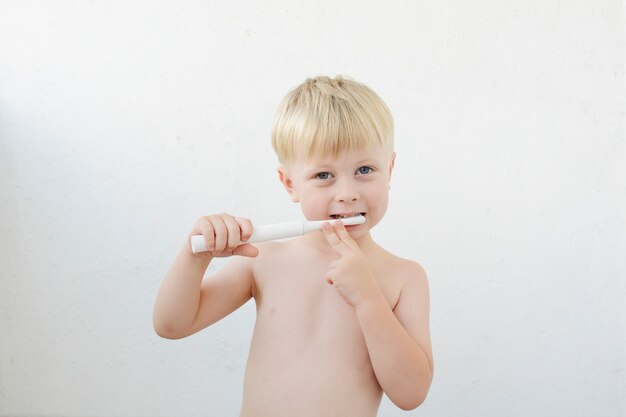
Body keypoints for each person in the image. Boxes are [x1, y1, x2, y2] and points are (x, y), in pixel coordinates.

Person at [153, 75, 434, 416]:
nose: (347, 192)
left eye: (364, 169)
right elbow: (171, 325)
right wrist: (195, 256)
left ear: (389, 170)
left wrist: (368, 299)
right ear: (290, 184)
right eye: (323, 175)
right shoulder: (263, 259)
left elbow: (411, 393)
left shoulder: (403, 277)